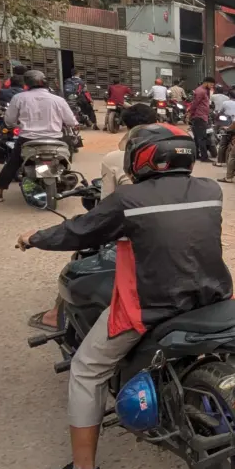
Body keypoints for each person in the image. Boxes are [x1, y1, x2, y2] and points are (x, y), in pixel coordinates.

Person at [16, 123, 231, 469]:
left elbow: (80, 232)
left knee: (86, 368)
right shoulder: (211, 190)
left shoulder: (129, 199)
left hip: (154, 306)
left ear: (144, 157)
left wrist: (33, 238)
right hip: (210, 297)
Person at [28, 103, 160, 332]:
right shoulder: (170, 153)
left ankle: (55, 315)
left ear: (125, 124)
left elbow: (107, 201)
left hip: (134, 231)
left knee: (82, 259)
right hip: (172, 232)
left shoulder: (116, 157)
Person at [0, 70, 79, 203]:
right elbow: (71, 122)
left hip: (28, 139)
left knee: (13, 163)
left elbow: (9, 120)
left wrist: (16, 125)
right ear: (44, 82)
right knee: (66, 158)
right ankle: (64, 179)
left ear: (26, 84)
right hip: (55, 139)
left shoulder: (19, 98)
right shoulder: (58, 100)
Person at [188, 77, 216, 160]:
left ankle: (197, 155)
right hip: (199, 116)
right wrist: (191, 114)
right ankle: (204, 157)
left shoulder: (203, 91)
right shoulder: (201, 91)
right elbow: (195, 104)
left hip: (201, 116)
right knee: (202, 137)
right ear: (206, 82)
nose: (211, 86)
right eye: (211, 84)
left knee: (197, 137)